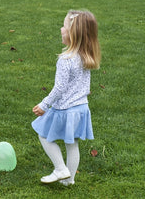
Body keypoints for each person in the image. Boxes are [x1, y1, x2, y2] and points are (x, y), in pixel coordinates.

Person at [31, 10, 101, 186]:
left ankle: (60, 168)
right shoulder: (86, 56)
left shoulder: (65, 59)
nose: (61, 29)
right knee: (72, 144)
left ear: (73, 34)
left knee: (44, 135)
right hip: (81, 109)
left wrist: (44, 104)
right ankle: (69, 180)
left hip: (65, 109)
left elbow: (59, 88)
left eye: (64, 26)